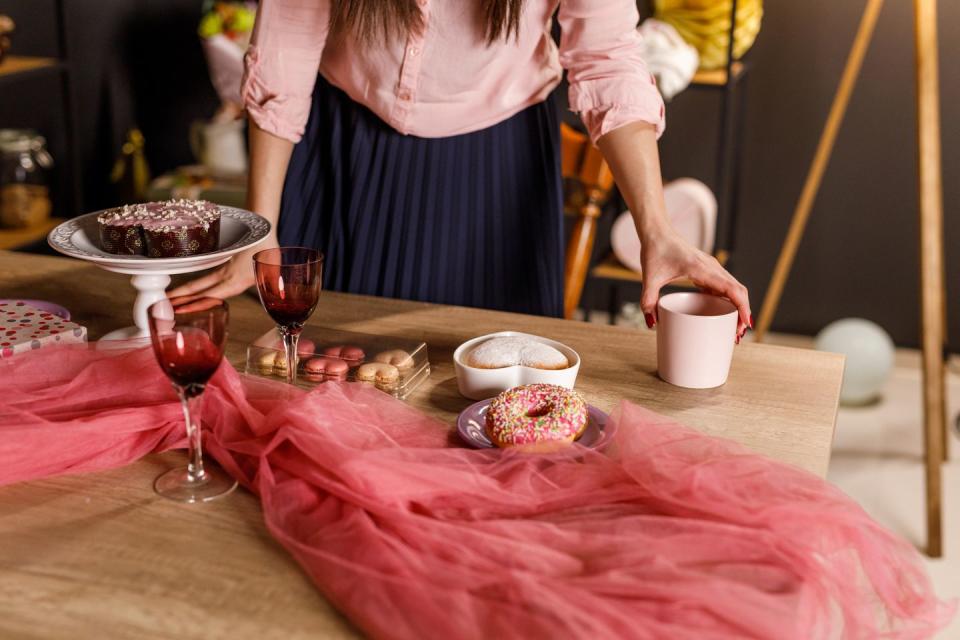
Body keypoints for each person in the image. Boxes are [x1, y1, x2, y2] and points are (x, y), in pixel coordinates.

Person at [171, 0, 751, 336]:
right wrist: (262, 228)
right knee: (326, 378)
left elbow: (607, 63)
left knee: (487, 405)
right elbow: (285, 47)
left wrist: (656, 228)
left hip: (493, 174)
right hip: (343, 155)